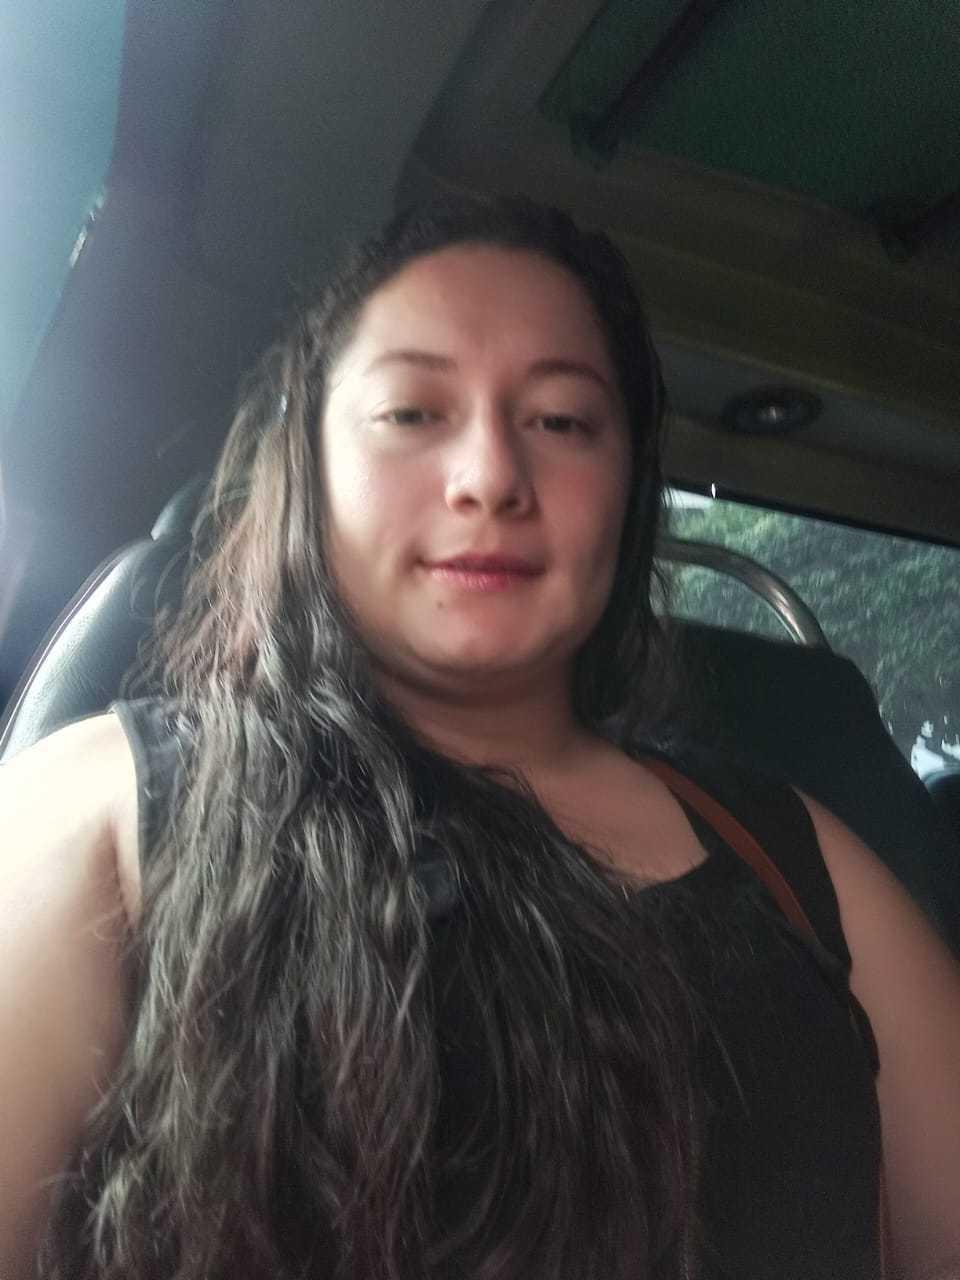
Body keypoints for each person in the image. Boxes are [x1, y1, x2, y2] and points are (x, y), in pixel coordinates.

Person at [2, 195, 959, 1280]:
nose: (492, 476)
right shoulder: (105, 808)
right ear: (309, 466)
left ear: (628, 485)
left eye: (563, 422)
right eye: (412, 412)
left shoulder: (795, 855)